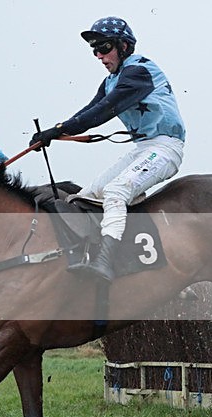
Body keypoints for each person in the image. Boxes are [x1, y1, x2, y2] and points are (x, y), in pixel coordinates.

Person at [30, 16, 186, 283]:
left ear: (124, 46)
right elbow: (89, 110)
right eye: (94, 50)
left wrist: (58, 130)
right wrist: (54, 132)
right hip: (143, 149)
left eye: (104, 48)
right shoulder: (111, 80)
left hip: (166, 148)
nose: (99, 56)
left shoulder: (138, 71)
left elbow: (102, 112)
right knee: (86, 197)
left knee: (115, 192)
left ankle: (106, 262)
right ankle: (95, 256)